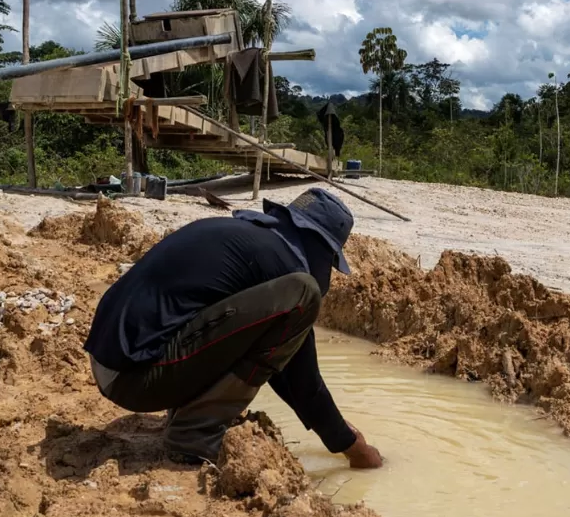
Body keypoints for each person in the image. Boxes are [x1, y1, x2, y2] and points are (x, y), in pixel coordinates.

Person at [83, 188, 384, 468]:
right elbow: (302, 381)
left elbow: (277, 364)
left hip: (114, 365)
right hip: (134, 380)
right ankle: (195, 433)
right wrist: (353, 447)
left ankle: (188, 417)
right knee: (304, 293)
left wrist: (336, 431)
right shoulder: (282, 265)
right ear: (319, 246)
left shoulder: (249, 241)